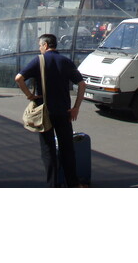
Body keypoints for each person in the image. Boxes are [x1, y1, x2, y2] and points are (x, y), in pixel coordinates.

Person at [15, 33, 86, 187]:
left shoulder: (38, 61)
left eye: (40, 46)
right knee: (67, 149)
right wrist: (76, 107)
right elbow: (82, 84)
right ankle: (73, 184)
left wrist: (30, 96)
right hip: (64, 112)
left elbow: (18, 78)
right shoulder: (65, 61)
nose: (39, 48)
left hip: (45, 112)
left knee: (48, 152)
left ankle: (53, 186)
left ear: (45, 45)